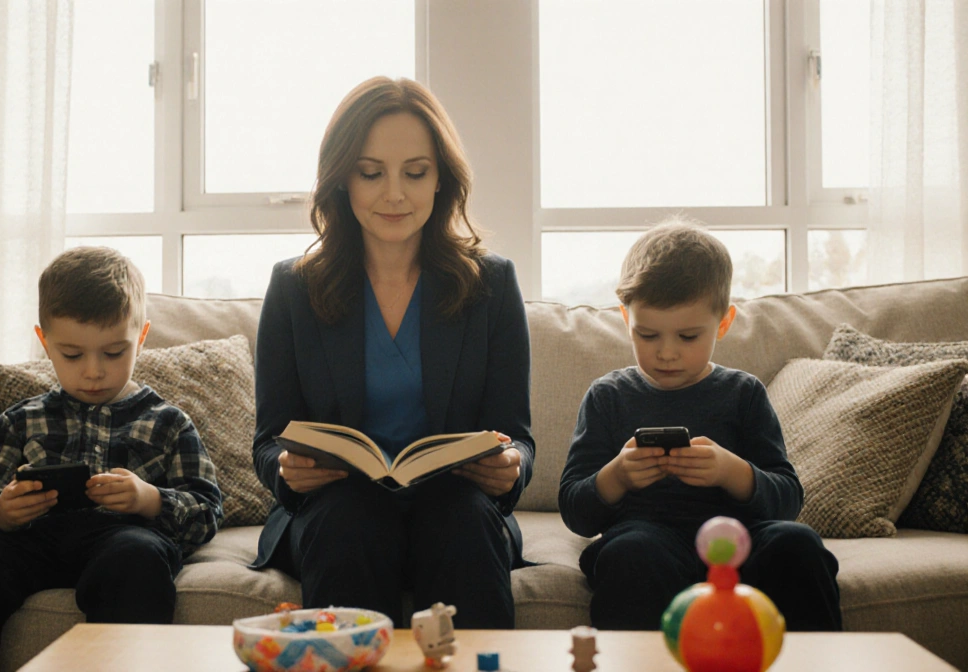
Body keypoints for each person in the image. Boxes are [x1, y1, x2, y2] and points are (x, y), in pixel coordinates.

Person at [250, 76, 534, 629]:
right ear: (342, 179)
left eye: (415, 172)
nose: (395, 194)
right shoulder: (292, 288)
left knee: (460, 520)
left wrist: (511, 467)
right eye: (371, 172)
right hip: (339, 510)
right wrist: (287, 470)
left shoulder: (492, 285)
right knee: (351, 518)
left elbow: (515, 436)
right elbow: (268, 442)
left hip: (453, 504)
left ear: (441, 179)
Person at [0, 247, 224, 671]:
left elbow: (208, 511)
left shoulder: (168, 422)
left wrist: (148, 499)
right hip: (31, 542)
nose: (94, 371)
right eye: (73, 355)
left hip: (123, 538)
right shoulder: (22, 420)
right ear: (45, 344)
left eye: (114, 353)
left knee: (137, 560)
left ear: (142, 338)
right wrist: (4, 513)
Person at [558, 218, 842, 631]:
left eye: (688, 337)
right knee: (631, 553)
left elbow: (788, 499)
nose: (666, 353)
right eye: (648, 335)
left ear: (723, 323)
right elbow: (576, 511)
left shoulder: (743, 393)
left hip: (739, 543)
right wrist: (616, 476)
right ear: (625, 319)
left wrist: (734, 473)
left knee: (796, 544)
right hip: (647, 540)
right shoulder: (609, 396)